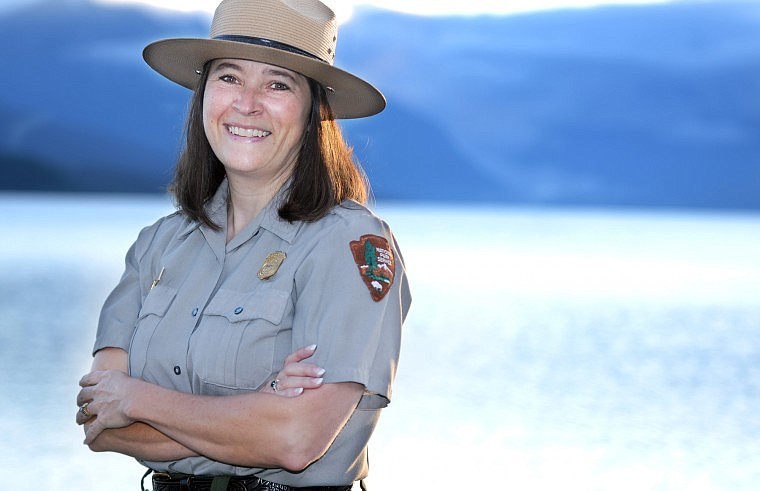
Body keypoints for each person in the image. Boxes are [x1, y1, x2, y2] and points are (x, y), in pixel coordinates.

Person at [74, 0, 412, 490]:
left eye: (278, 84)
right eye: (229, 78)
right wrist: (257, 409)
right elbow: (98, 425)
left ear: (315, 110)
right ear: (203, 94)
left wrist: (137, 399)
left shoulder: (347, 243)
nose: (247, 103)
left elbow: (296, 440)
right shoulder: (159, 246)